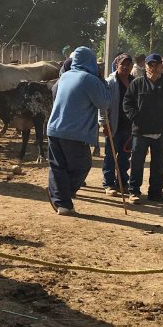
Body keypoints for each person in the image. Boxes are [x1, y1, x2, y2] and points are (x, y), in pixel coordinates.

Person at [46, 47, 111, 215]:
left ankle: (62, 201)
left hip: (54, 128)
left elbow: (54, 92)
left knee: (58, 166)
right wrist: (102, 82)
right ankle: (61, 195)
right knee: (82, 165)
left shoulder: (65, 76)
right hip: (74, 131)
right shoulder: (89, 79)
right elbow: (104, 103)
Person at [122, 53, 163, 204]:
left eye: (156, 65)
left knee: (158, 164)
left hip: (160, 130)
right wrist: (136, 117)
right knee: (137, 163)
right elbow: (127, 103)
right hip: (140, 131)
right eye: (150, 65)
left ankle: (156, 192)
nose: (153, 68)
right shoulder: (137, 83)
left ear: (162, 66)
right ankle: (133, 192)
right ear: (145, 66)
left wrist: (161, 82)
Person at [100, 53, 134, 196]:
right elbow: (103, 105)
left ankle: (122, 183)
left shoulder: (135, 82)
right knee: (110, 155)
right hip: (113, 124)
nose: (125, 67)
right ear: (116, 65)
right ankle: (108, 184)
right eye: (122, 64)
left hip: (129, 126)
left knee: (125, 157)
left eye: (128, 65)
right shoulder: (110, 82)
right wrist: (104, 123)